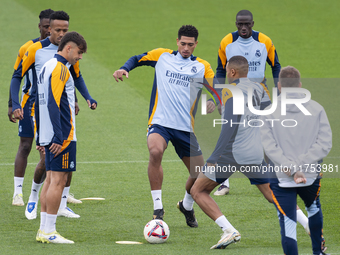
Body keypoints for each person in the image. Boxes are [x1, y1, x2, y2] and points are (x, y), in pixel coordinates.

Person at [113, 25, 215, 227]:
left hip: (186, 128)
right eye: (183, 43)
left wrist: (214, 103)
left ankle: (186, 205)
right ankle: (158, 209)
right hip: (160, 123)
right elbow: (136, 58)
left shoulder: (202, 66)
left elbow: (218, 89)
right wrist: (124, 68)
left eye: (190, 45)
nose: (186, 48)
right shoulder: (162, 56)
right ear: (177, 41)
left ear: (196, 44)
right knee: (155, 150)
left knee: (200, 175)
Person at [10, 11, 96, 219]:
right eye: (57, 29)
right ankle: (32, 197)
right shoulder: (34, 50)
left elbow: (76, 77)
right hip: (36, 109)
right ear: (48, 28)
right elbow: (18, 77)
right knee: (43, 158)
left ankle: (61, 203)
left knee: (65, 163)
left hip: (56, 113)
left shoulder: (68, 54)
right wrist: (13, 104)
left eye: (65, 30)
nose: (61, 33)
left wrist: (84, 97)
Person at [191, 56, 280, 249]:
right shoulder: (259, 88)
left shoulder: (232, 91)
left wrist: (214, 156)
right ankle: (309, 224)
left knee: (198, 191)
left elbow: (229, 128)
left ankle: (228, 230)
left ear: (232, 72)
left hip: (232, 152)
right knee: (272, 194)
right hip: (255, 151)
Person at [260, 66, 332, 255]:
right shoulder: (316, 109)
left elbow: (269, 148)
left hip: (282, 178)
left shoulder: (268, 112)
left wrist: (292, 169)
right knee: (314, 208)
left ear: (279, 86)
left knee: (288, 223)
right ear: (300, 85)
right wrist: (302, 165)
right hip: (310, 175)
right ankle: (319, 252)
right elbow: (324, 143)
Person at [35, 31, 96, 244]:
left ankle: (43, 229)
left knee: (51, 180)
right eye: (79, 53)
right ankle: (50, 231)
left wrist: (40, 137)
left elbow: (38, 101)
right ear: (68, 48)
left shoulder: (46, 67)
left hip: (47, 133)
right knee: (58, 181)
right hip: (62, 136)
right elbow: (53, 102)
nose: (79, 57)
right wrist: (59, 138)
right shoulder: (60, 69)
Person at [214, 9, 281, 196]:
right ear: (236, 24)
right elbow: (220, 70)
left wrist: (279, 91)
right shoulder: (227, 42)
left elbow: (276, 65)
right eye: (240, 24)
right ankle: (224, 183)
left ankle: (275, 178)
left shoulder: (264, 41)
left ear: (253, 23)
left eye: (247, 24)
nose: (243, 28)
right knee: (228, 135)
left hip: (261, 93)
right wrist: (219, 97)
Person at [9, 8, 54, 207]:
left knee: (51, 149)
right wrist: (13, 104)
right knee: (26, 145)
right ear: (40, 27)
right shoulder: (28, 48)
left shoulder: (60, 49)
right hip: (28, 103)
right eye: (45, 27)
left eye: (51, 28)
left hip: (49, 105)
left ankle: (56, 191)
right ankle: (18, 192)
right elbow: (16, 75)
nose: (48, 31)